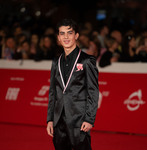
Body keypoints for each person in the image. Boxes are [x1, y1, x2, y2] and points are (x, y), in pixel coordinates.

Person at [46, 19, 99, 150]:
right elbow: (53, 92)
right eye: (62, 34)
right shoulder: (55, 62)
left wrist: (89, 119)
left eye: (69, 33)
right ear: (58, 37)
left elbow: (93, 91)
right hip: (59, 122)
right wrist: (50, 119)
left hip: (79, 121)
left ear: (76, 35)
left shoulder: (87, 61)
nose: (66, 37)